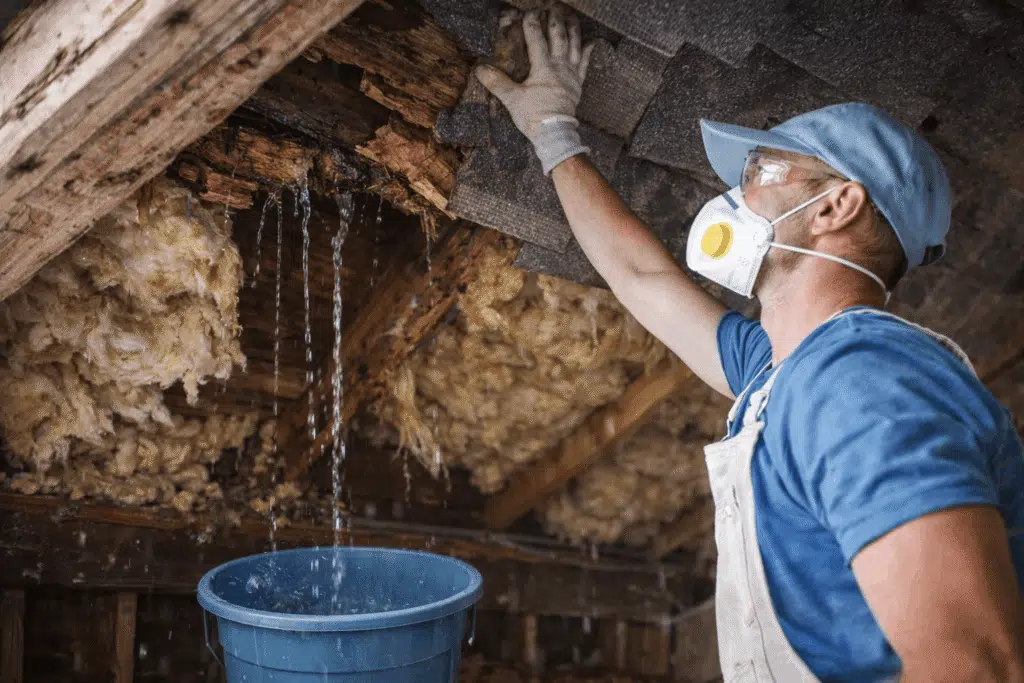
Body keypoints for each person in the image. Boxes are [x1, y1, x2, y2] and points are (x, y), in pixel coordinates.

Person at [474, 8, 1024, 683]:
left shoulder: (861, 383)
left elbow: (974, 666)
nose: (735, 192)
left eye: (763, 169)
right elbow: (640, 276)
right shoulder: (781, 375)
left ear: (834, 208)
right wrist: (555, 136)